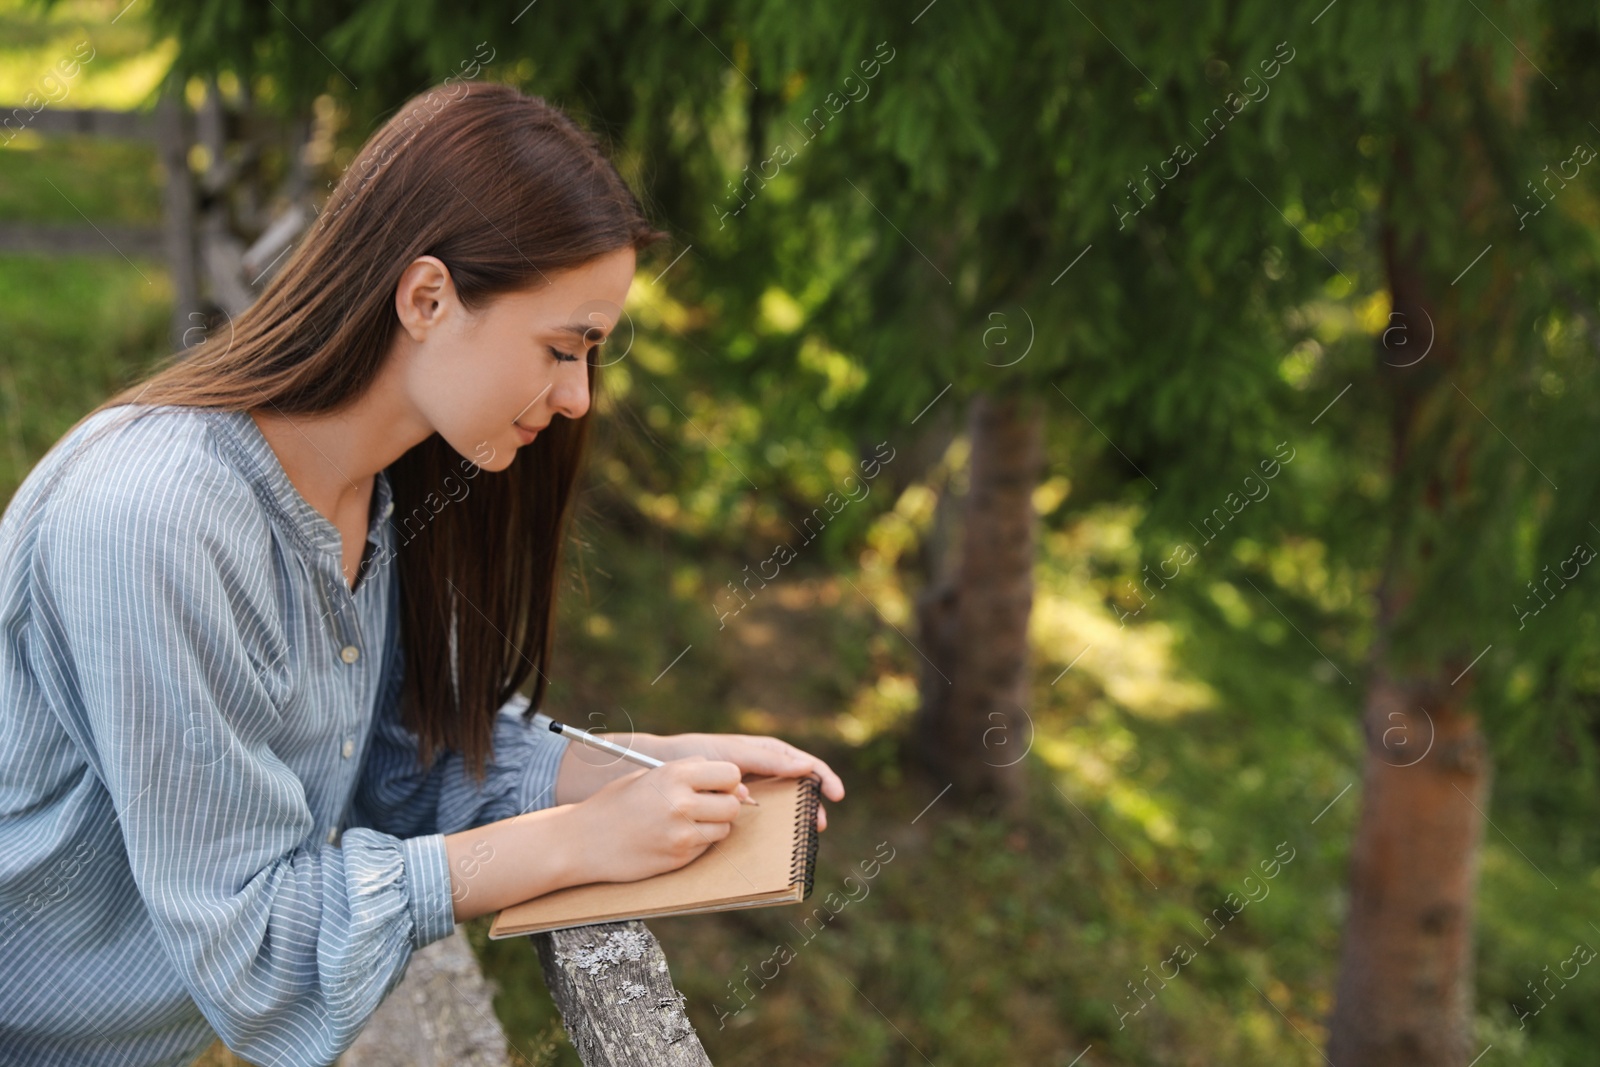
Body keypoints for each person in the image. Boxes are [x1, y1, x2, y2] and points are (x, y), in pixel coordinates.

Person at [0, 80, 844, 1066]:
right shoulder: (157, 520)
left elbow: (399, 756)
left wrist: (640, 763)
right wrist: (572, 842)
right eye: (562, 348)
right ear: (428, 297)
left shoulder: (381, 493)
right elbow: (255, 938)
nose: (577, 397)